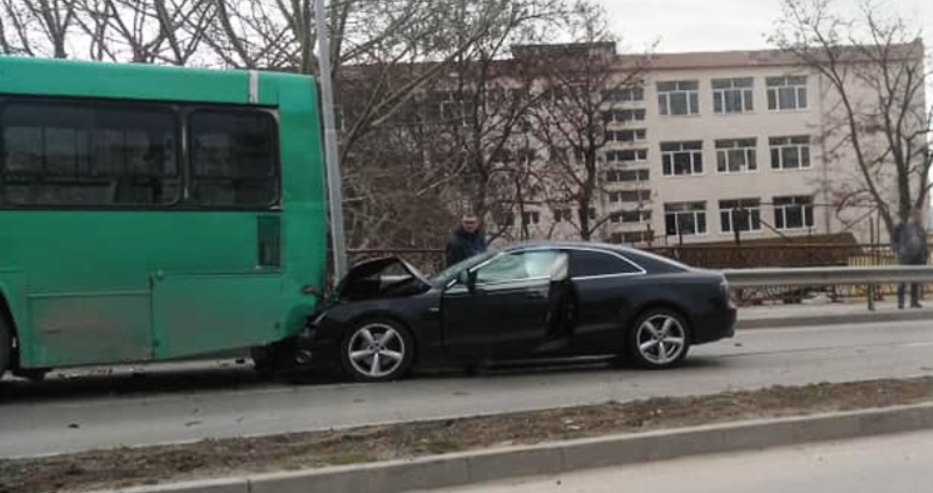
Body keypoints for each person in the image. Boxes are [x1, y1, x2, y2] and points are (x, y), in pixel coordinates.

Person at [893, 208, 928, 309]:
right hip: (905, 258)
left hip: (917, 258)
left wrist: (924, 257)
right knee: (902, 281)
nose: (919, 218)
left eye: (919, 217)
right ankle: (900, 302)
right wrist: (897, 249)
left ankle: (914, 302)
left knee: (915, 282)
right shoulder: (903, 226)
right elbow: (895, 237)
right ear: (912, 216)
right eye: (917, 216)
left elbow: (924, 244)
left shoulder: (921, 229)